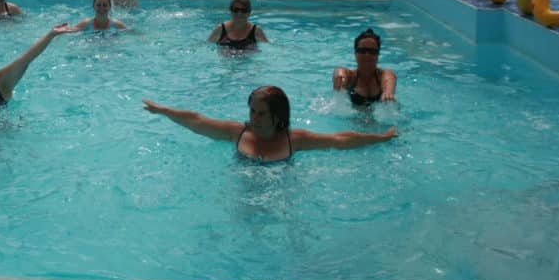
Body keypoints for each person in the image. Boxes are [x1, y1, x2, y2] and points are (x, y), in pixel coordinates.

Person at [143, 85, 397, 163]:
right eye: (252, 111)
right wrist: (163, 111)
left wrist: (382, 138)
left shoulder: (293, 139)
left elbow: (341, 140)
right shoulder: (238, 133)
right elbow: (197, 121)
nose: (253, 118)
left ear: (277, 115)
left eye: (261, 113)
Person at [332, 28, 397, 104]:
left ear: (378, 55)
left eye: (372, 51)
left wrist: (388, 93)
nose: (367, 55)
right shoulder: (351, 77)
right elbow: (340, 72)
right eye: (362, 51)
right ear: (355, 53)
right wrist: (339, 77)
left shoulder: (383, 75)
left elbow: (389, 79)